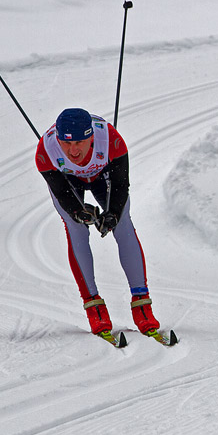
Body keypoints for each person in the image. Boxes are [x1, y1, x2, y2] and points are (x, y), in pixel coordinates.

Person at [35, 107, 161, 336]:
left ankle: (142, 304)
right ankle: (94, 306)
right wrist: (78, 212)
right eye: (66, 143)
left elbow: (121, 184)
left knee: (122, 223)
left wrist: (112, 213)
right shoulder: (46, 151)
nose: (73, 150)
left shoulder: (110, 140)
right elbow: (62, 193)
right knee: (76, 229)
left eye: (80, 142)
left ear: (91, 136)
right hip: (68, 181)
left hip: (103, 176)